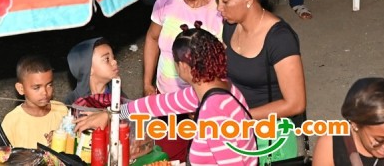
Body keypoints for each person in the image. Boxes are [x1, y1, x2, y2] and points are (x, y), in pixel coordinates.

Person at [79, 25, 258, 165]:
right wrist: (111, 113)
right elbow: (155, 104)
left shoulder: (214, 110)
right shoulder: (215, 87)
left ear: (184, 67)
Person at [217, 0, 306, 120]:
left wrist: (240, 117)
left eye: (225, 1)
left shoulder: (280, 39)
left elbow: (296, 104)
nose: (219, 8)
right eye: (218, 1)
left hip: (271, 128)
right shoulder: (230, 26)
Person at [143, 0, 223, 95]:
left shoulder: (220, 12)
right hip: (164, 97)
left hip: (202, 100)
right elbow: (152, 38)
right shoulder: (166, 1)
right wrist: (147, 84)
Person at [0, 55, 68, 149]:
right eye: (36, 88)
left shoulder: (61, 111)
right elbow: (3, 154)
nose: (45, 92)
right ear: (21, 88)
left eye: (49, 85)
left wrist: (60, 139)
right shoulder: (11, 121)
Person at [66, 37, 120, 104]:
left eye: (113, 57)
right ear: (88, 68)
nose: (114, 62)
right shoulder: (73, 103)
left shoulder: (118, 95)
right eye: (107, 59)